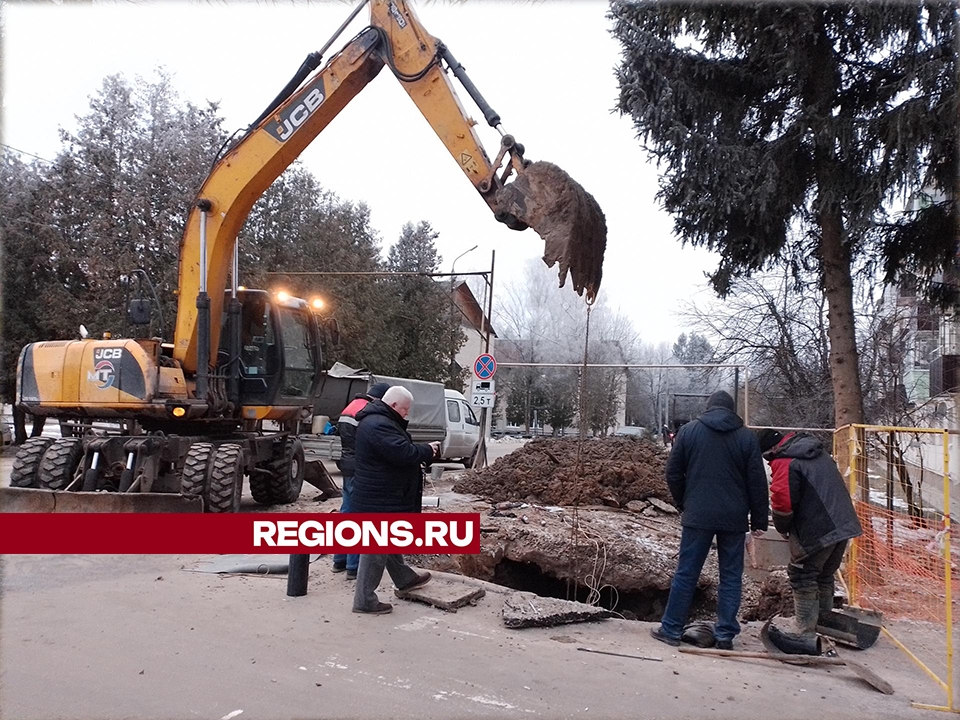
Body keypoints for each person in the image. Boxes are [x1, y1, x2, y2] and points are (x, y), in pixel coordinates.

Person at [651, 390, 769, 650]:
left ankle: (670, 629)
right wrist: (759, 520)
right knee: (730, 577)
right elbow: (757, 482)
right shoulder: (746, 437)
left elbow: (673, 472)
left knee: (687, 572)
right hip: (734, 518)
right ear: (732, 410)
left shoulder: (689, 432)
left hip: (698, 515)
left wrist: (684, 503)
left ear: (708, 407)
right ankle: (725, 636)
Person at [757, 429, 862, 649]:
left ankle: (804, 629)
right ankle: (822, 624)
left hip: (818, 529)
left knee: (802, 575)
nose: (768, 462)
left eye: (767, 456)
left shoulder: (785, 461)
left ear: (773, 449)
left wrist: (783, 528)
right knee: (823, 575)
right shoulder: (815, 452)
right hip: (842, 523)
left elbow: (782, 503)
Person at [350, 386, 440, 615]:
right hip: (379, 497)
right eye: (405, 409)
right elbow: (403, 453)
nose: (406, 414)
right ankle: (364, 600)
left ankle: (404, 578)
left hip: (381, 494)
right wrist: (427, 450)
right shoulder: (378, 424)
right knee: (375, 548)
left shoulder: (379, 421)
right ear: (393, 406)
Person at [331, 382, 392, 579]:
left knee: (346, 511)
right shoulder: (367, 411)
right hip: (360, 468)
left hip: (347, 465)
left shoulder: (351, 406)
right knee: (359, 516)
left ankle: (339, 559)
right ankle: (354, 565)